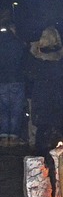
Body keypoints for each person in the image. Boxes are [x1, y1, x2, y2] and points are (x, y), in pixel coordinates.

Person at [25, 26, 63, 159]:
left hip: (44, 101)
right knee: (61, 135)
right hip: (62, 101)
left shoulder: (37, 60)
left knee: (43, 136)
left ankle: (44, 164)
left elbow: (29, 76)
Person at [0, 19, 26, 147]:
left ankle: (4, 137)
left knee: (3, 110)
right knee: (15, 110)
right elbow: (23, 62)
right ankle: (14, 137)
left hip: (2, 81)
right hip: (16, 80)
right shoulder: (18, 43)